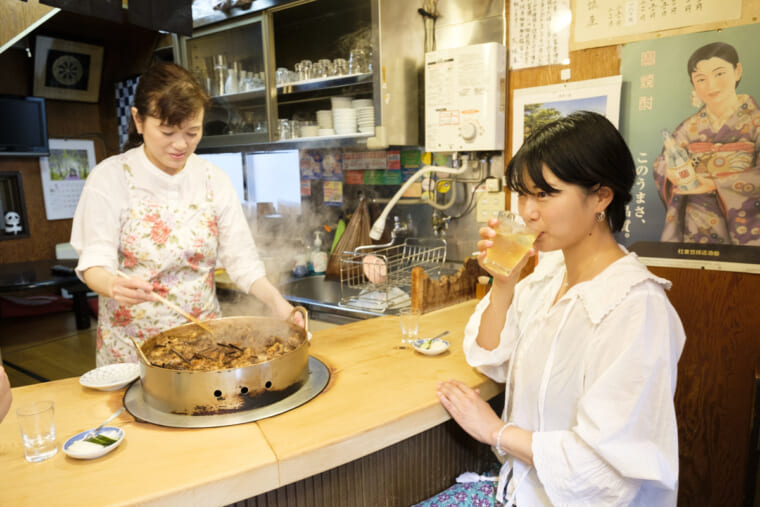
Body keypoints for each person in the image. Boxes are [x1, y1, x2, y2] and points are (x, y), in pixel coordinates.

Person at [422, 112, 686, 506]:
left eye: (545, 194)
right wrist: (503, 284)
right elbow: (491, 358)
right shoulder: (549, 273)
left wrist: (494, 431)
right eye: (524, 194)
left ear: (600, 196)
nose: (528, 211)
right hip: (519, 489)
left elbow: (607, 471)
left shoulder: (636, 308)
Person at [71, 63, 299, 366]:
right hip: (132, 349)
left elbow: (241, 259)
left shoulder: (212, 179)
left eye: (192, 132)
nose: (181, 145)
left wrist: (277, 303)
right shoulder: (110, 178)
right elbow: (94, 263)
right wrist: (112, 285)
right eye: (167, 132)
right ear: (139, 120)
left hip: (205, 344)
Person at [654, 41, 760, 245]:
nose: (711, 86)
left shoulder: (756, 122)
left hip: (746, 223)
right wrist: (670, 172)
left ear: (737, 71)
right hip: (697, 221)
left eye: (719, 74)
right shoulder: (690, 126)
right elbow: (662, 163)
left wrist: (715, 184)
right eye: (701, 79)